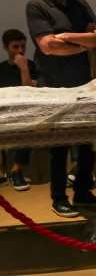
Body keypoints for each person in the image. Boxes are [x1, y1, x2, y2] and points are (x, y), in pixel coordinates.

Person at [26, 0, 96, 217]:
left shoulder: (80, 4)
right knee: (58, 145)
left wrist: (68, 37)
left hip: (82, 83)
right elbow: (48, 47)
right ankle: (58, 196)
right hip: (53, 86)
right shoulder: (36, 6)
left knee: (85, 142)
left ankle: (83, 191)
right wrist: (84, 42)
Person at [0, 29, 38, 191]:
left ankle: (16, 170)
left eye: (23, 46)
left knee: (29, 125)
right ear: (5, 47)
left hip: (26, 110)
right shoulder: (1, 68)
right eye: (15, 47)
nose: (20, 51)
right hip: (4, 110)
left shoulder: (31, 66)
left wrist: (23, 69)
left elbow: (30, 91)